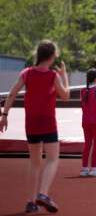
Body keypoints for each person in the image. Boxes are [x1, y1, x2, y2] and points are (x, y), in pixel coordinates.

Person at [0, 40, 69, 213]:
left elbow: (12, 93)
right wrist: (64, 75)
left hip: (31, 123)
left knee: (34, 163)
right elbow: (66, 96)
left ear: (38, 54)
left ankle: (31, 202)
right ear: (53, 56)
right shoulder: (53, 76)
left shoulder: (27, 73)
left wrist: (4, 115)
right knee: (53, 158)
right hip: (47, 122)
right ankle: (43, 194)